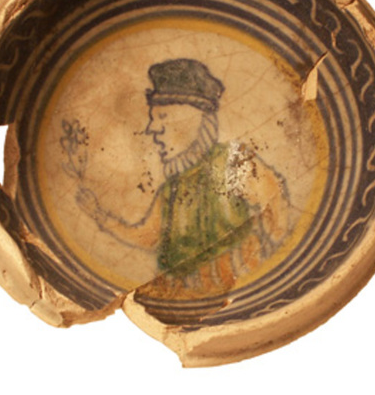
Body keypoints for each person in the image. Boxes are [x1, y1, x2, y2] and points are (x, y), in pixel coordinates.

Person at [76, 58, 290, 294]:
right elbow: (147, 236)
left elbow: (276, 208)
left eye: (162, 118)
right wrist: (100, 216)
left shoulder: (233, 161)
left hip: (231, 289)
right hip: (177, 294)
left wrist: (254, 260)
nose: (152, 129)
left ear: (193, 118)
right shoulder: (171, 189)